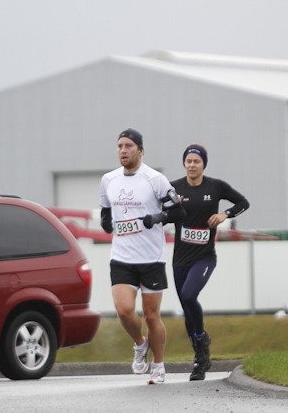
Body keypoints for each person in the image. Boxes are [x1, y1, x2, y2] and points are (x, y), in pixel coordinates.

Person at [100, 128, 185, 385]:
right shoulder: (109, 180)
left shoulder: (155, 179)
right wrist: (107, 222)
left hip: (151, 258)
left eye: (128, 146)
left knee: (151, 316)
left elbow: (179, 212)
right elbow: (105, 212)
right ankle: (140, 344)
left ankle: (158, 365)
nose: (123, 150)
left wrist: (156, 217)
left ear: (140, 150)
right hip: (122, 256)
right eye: (120, 146)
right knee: (124, 311)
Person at [171, 144, 250, 381]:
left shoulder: (215, 186)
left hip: (204, 257)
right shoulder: (174, 188)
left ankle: (201, 338)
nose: (192, 165)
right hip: (180, 258)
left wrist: (225, 214)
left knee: (189, 295)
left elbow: (243, 202)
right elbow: (159, 209)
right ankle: (200, 359)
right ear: (184, 163)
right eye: (188, 161)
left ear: (203, 164)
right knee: (187, 310)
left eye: (196, 161)